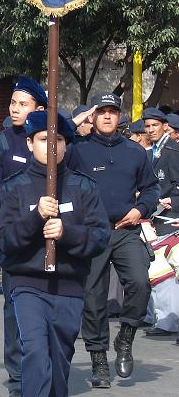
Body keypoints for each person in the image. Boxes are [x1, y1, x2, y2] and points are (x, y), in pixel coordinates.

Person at [0, 111, 110, 397]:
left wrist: (66, 232)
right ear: (29, 143)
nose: (51, 146)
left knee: (59, 363)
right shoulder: (14, 187)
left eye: (58, 140)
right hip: (28, 285)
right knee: (34, 351)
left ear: (66, 145)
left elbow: (100, 237)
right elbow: (5, 240)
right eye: (43, 139)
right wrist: (35, 218)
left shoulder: (83, 186)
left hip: (69, 287)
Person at [71, 92, 159, 388]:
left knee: (140, 283)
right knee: (93, 298)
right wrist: (76, 122)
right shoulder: (78, 149)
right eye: (102, 111)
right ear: (93, 116)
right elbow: (53, 145)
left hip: (126, 230)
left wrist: (140, 209)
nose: (108, 116)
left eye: (113, 111)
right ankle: (98, 361)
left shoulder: (135, 151)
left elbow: (151, 189)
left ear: (120, 116)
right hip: (91, 232)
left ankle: (126, 337)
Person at [0, 76, 47, 397]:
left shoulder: (53, 140)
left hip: (51, 238)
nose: (14, 109)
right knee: (15, 307)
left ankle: (46, 368)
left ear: (40, 109)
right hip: (14, 242)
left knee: (53, 308)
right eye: (12, 103)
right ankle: (18, 378)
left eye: (23, 104)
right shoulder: (1, 144)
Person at [143, 108, 179, 238]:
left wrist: (173, 200)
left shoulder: (173, 150)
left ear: (165, 126)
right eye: (147, 126)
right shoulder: (151, 151)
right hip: (155, 215)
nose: (151, 130)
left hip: (171, 217)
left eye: (155, 125)